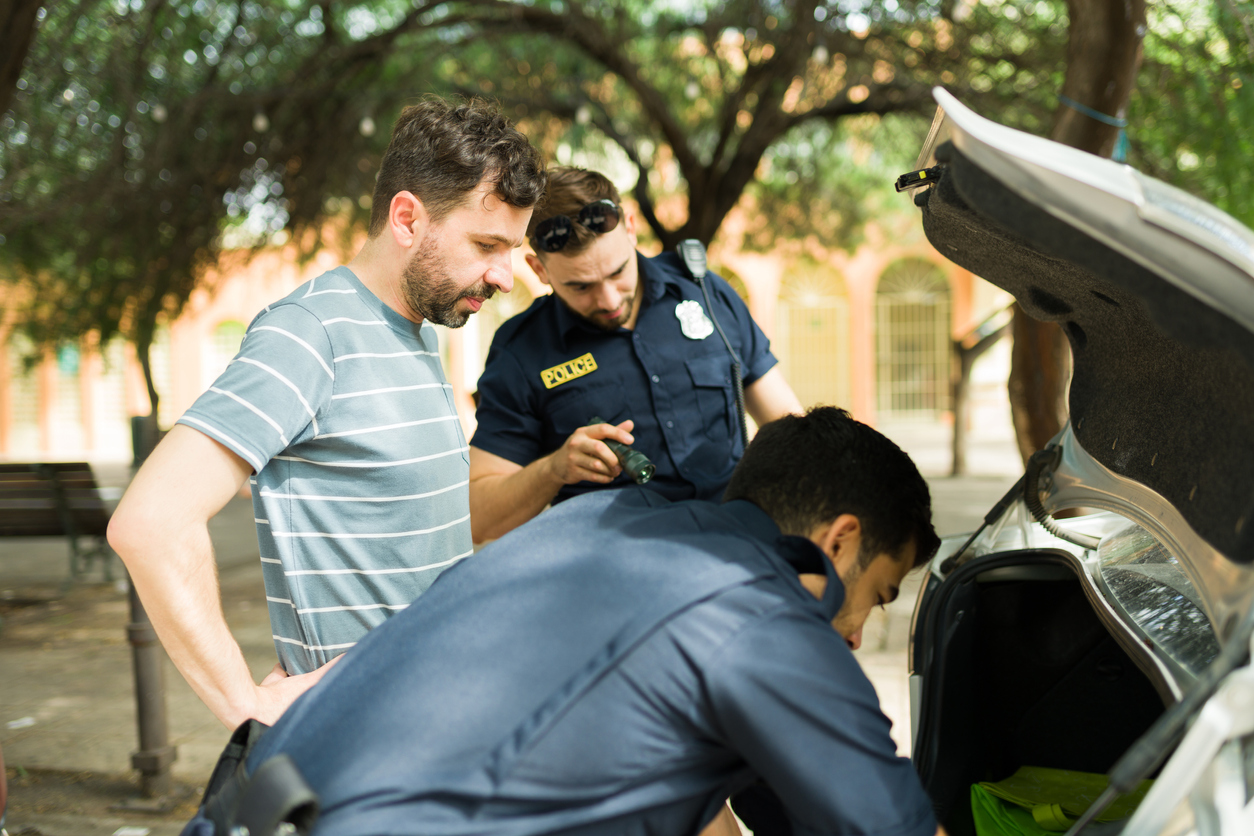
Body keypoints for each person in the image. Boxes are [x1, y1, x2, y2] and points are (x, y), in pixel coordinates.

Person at [185, 408, 944, 836]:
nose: (855, 636)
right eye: (876, 596)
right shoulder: (760, 611)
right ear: (840, 540)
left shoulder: (603, 522)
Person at [107, 97, 547, 730]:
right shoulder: (307, 335)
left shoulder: (418, 329)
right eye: (486, 244)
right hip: (364, 749)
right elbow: (150, 522)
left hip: (449, 722)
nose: (506, 276)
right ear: (406, 219)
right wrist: (246, 704)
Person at [468, 166, 804, 542]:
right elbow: (480, 517)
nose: (609, 300)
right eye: (581, 286)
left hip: (741, 546)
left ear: (630, 228)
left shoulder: (707, 293)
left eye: (618, 272)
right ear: (539, 268)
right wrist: (554, 469)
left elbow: (791, 430)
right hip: (620, 580)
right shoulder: (521, 351)